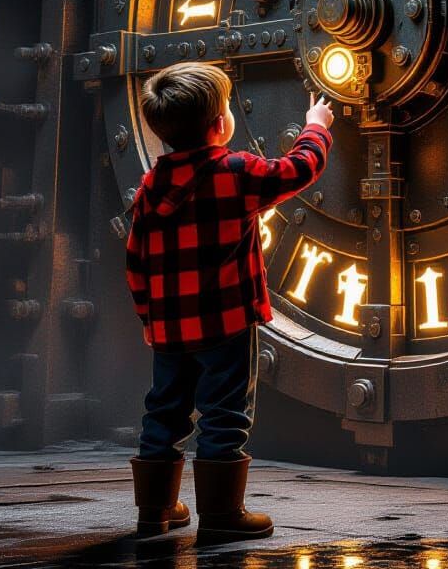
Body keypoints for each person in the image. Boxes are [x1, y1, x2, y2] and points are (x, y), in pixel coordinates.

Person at [124, 62, 334, 541]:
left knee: (164, 413)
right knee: (224, 415)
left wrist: (148, 319)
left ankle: (154, 512)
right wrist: (315, 128)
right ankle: (221, 515)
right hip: (227, 326)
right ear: (220, 123)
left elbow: (135, 263)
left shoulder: (148, 189)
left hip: (169, 331)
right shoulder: (235, 171)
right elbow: (299, 169)